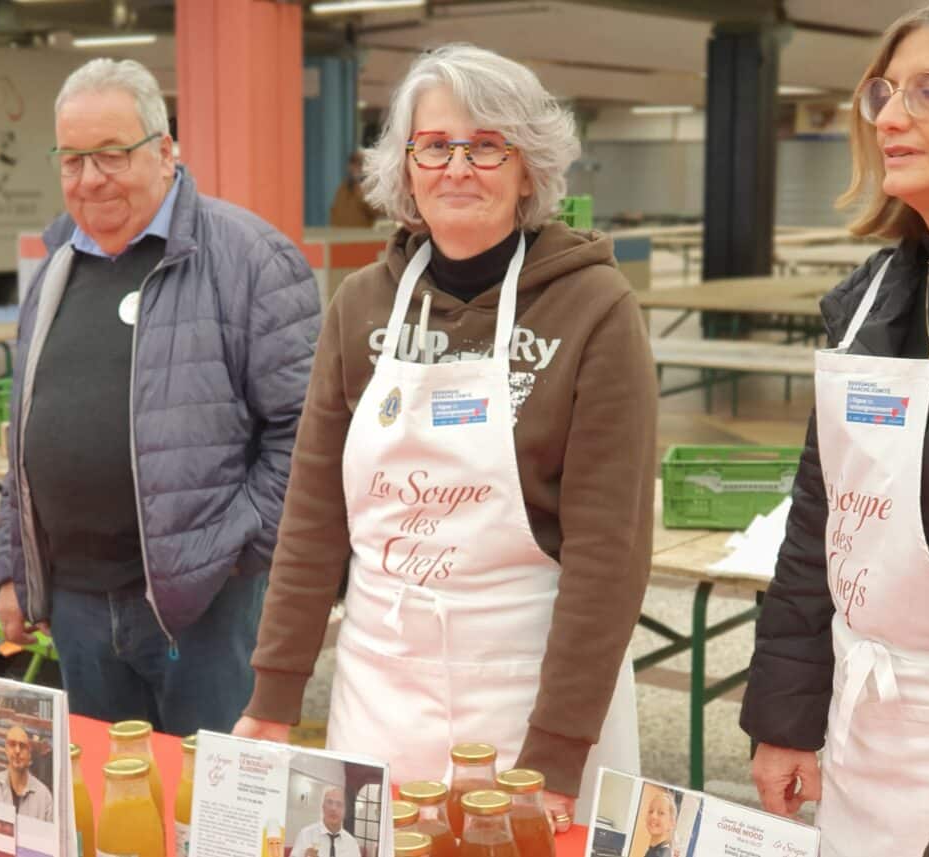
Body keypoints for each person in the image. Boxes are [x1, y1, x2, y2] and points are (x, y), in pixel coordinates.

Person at [233, 44, 656, 827]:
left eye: (487, 144)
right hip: (380, 690)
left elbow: (610, 553)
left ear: (528, 168)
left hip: (530, 693)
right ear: (407, 167)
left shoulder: (595, 308)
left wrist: (557, 751)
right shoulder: (360, 304)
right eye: (434, 145)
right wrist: (275, 691)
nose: (458, 166)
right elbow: (314, 518)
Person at [0, 57, 319, 736]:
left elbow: (306, 431)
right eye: (73, 159)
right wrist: (14, 573)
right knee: (112, 811)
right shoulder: (57, 265)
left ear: (165, 150)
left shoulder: (251, 259)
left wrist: (234, 547)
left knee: (216, 818)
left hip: (203, 608)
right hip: (79, 607)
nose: (90, 179)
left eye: (111, 154)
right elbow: (23, 436)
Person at [740, 2, 929, 855]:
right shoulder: (870, 304)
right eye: (884, 93)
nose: (889, 116)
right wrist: (786, 718)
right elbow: (823, 521)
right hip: (865, 736)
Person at [0, 726, 53, 822]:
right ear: (6, 750)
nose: (17, 751)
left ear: (29, 753)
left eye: (22, 746)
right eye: (12, 744)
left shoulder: (45, 798)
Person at [291, 787, 360, 857]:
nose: (333, 808)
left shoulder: (352, 843)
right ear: (323, 807)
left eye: (339, 804)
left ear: (345, 811)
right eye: (329, 802)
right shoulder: (306, 835)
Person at [329, 151, 378, 228]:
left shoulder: (371, 188)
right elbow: (335, 212)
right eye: (353, 163)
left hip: (361, 237)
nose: (355, 167)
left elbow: (377, 212)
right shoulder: (343, 188)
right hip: (339, 236)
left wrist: (361, 193)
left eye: (360, 164)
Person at [640, 788, 675, 857]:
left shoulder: (660, 854)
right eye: (651, 811)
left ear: (671, 823)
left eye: (661, 813)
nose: (653, 816)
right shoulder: (654, 850)